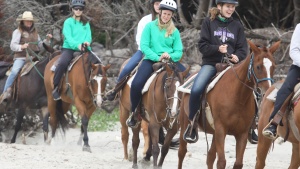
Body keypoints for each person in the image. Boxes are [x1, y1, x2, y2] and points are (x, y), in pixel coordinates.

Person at [183, 0, 248, 143]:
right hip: (212, 64)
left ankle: (251, 126)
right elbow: (202, 46)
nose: (230, 9)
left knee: (251, 88)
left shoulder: (237, 25)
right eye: (228, 7)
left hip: (232, 66)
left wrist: (238, 56)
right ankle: (192, 124)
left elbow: (243, 48)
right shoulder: (208, 22)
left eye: (232, 7)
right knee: (196, 89)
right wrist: (217, 49)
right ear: (219, 7)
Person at [126, 0, 187, 128]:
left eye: (169, 15)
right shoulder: (149, 27)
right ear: (160, 12)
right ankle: (134, 113)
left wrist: (170, 56)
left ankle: (186, 115)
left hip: (170, 61)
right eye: (164, 13)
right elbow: (144, 46)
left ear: (172, 15)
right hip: (151, 59)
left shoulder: (174, 31)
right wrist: (157, 57)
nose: (166, 16)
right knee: (137, 84)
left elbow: (179, 51)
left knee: (189, 80)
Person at [104, 0, 162, 101]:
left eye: (161, 4)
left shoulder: (168, 21)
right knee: (127, 68)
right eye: (156, 3)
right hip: (144, 52)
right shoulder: (145, 20)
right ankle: (115, 90)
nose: (159, 6)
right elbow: (139, 38)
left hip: (162, 54)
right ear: (152, 5)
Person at [0, 11, 52, 104]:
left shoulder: (36, 33)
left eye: (30, 21)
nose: (29, 23)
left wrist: (47, 40)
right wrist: (21, 47)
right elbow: (12, 45)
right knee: (15, 71)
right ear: (23, 21)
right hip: (21, 57)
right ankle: (5, 93)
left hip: (32, 58)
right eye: (27, 21)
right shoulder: (18, 31)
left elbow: (39, 45)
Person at [262, 24, 300, 140]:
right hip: (299, 68)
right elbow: (293, 51)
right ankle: (274, 123)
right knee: (286, 89)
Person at [52, 0, 92, 100]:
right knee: (62, 63)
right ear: (72, 9)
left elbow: (89, 36)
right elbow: (69, 38)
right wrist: (78, 45)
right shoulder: (68, 22)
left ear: (83, 10)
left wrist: (87, 42)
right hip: (69, 48)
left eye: (80, 9)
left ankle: (97, 90)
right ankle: (55, 87)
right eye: (76, 8)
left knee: (98, 64)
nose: (78, 10)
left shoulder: (86, 23)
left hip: (84, 48)